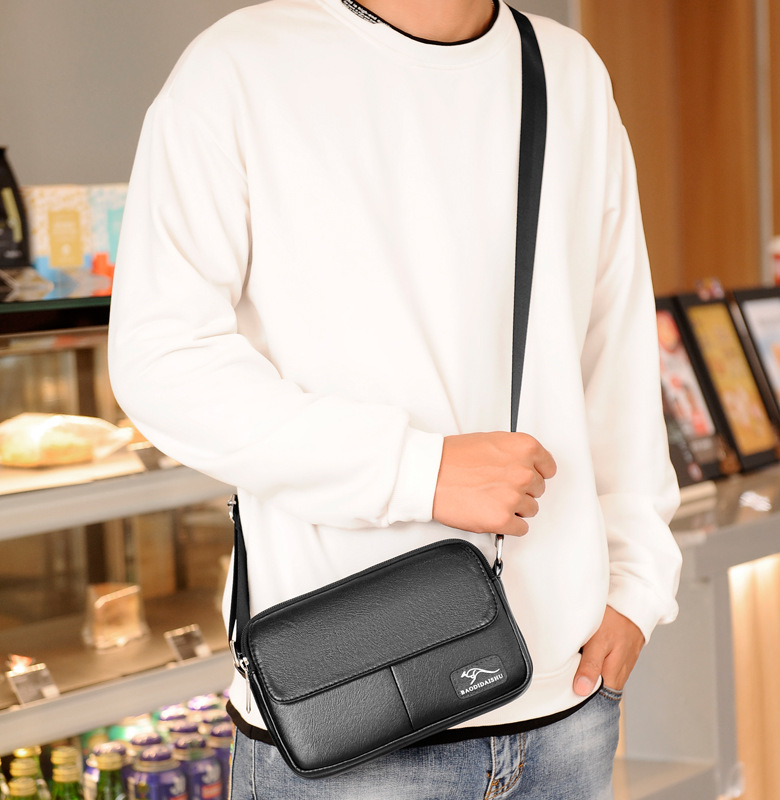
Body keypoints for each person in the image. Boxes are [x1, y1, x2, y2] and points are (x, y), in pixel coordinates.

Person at [108, 0, 683, 797]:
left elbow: (612, 352)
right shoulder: (238, 67)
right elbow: (162, 361)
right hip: (345, 719)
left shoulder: (567, 70)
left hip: (566, 709)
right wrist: (419, 470)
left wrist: (639, 588)